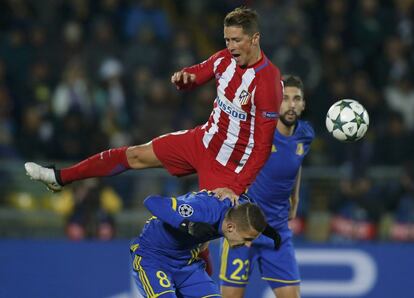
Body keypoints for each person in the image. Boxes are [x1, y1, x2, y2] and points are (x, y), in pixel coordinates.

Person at [24, 6, 282, 200]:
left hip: (228, 165)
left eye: (237, 40)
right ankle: (60, 177)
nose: (231, 46)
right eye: (227, 40)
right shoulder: (224, 59)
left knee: (198, 232)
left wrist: (237, 187)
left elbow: (262, 146)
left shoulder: (268, 82)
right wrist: (184, 79)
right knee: (134, 155)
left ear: (255, 38)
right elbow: (197, 73)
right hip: (202, 141)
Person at [220, 75, 314, 298]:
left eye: (296, 99)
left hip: (278, 232)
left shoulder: (305, 135)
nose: (291, 105)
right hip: (243, 230)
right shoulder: (258, 132)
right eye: (285, 98)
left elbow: (295, 163)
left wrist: (295, 199)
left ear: (303, 104)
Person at [129, 190, 280, 298]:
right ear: (230, 227)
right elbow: (152, 201)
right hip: (153, 259)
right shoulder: (202, 210)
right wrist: (187, 225)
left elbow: (249, 209)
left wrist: (268, 230)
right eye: (246, 239)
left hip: (186, 264)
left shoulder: (237, 211)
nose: (248, 245)